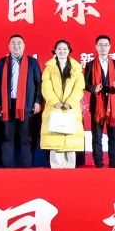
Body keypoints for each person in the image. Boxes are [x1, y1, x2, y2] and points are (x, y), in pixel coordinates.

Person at [0, 34, 43, 168]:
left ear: (24, 46)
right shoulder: (3, 62)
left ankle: (26, 166)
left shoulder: (32, 62)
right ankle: (8, 166)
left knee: (26, 137)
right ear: (9, 46)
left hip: (27, 105)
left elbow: (39, 83)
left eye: (19, 43)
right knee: (7, 136)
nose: (16, 46)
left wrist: (37, 101)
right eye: (13, 43)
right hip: (7, 105)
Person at [40, 40, 85, 169]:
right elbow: (46, 87)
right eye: (59, 49)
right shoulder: (49, 68)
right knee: (55, 141)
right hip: (54, 108)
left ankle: (70, 171)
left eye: (65, 49)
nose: (62, 51)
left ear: (69, 51)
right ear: (55, 51)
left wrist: (70, 102)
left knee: (70, 141)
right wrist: (55, 102)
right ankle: (56, 171)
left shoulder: (76, 68)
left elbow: (79, 87)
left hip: (71, 109)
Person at [83, 34, 115, 168]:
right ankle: (99, 164)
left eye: (106, 45)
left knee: (113, 136)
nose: (103, 47)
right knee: (97, 137)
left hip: (113, 105)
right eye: (100, 45)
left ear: (110, 47)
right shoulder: (90, 65)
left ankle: (113, 163)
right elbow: (84, 84)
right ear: (96, 47)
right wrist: (93, 88)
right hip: (97, 104)